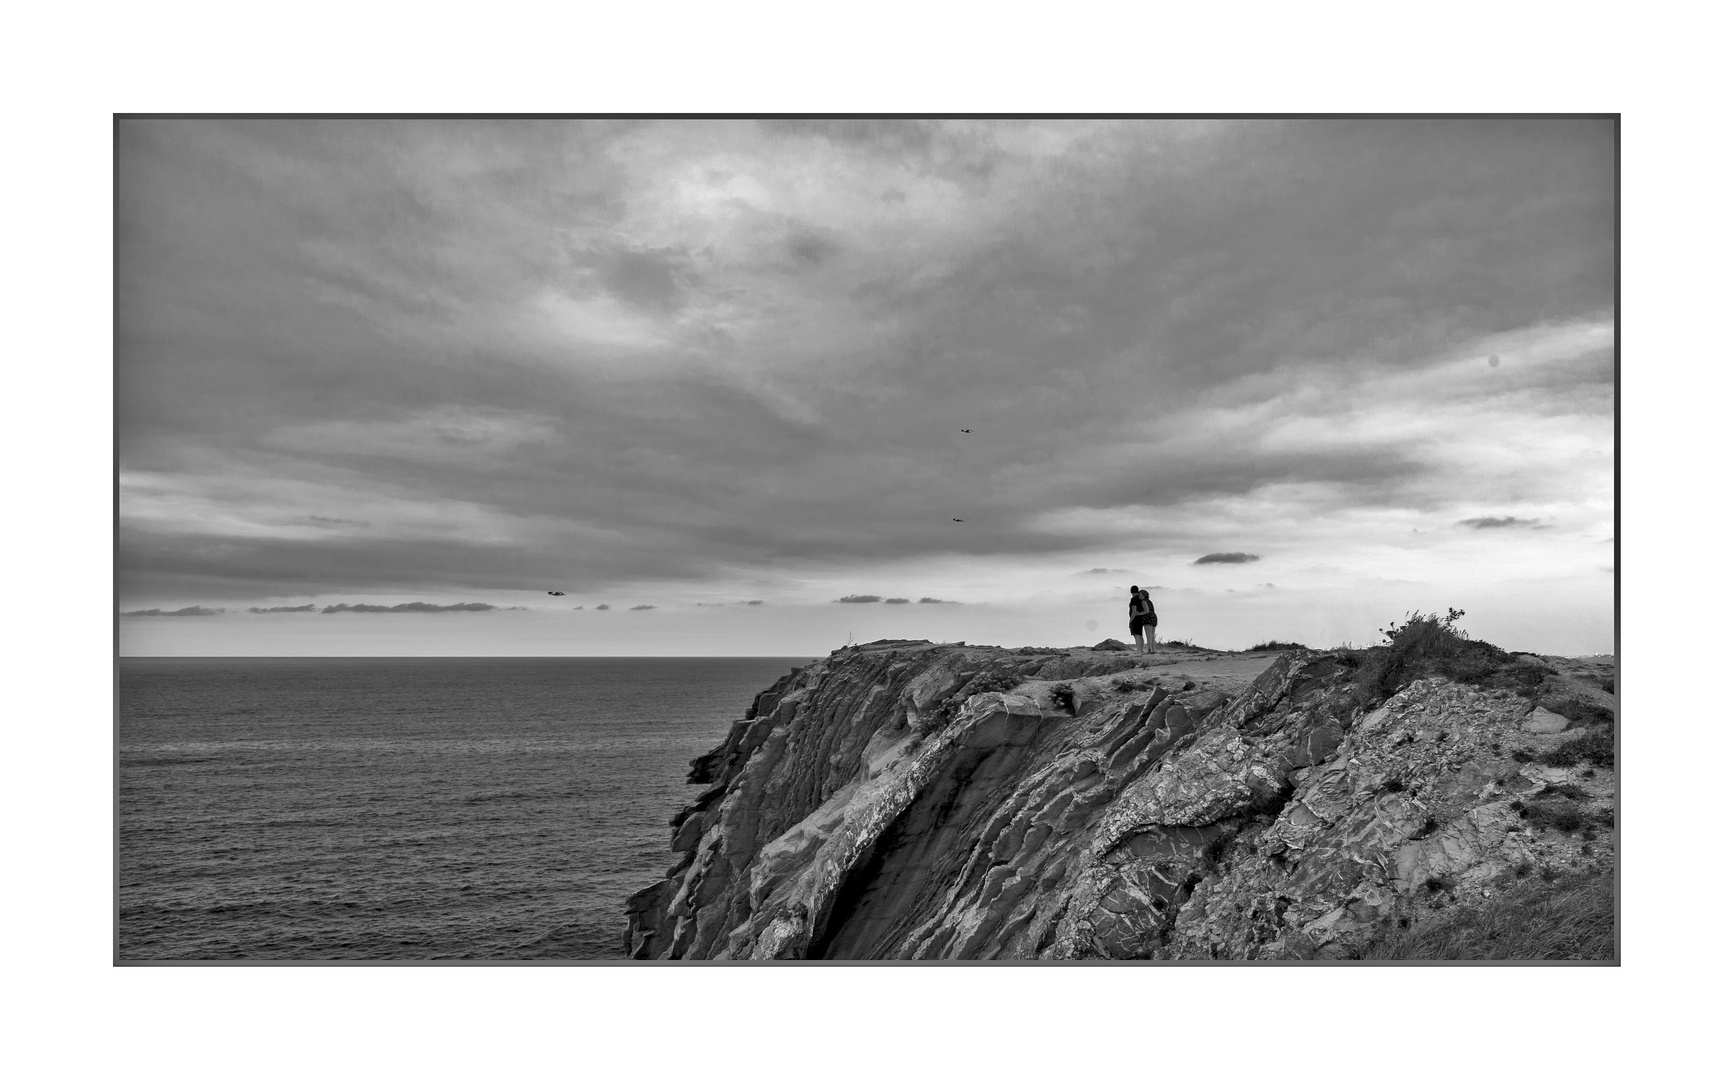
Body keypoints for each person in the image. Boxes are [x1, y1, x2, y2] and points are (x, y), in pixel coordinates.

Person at [1128, 585, 1158, 654]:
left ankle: (1149, 650)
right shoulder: (1149, 601)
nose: (1139, 595)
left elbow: (1145, 610)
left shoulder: (1142, 601)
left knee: (1148, 636)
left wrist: (1140, 614)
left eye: (1140, 594)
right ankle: (1153, 650)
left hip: (1148, 619)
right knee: (1151, 636)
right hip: (1153, 618)